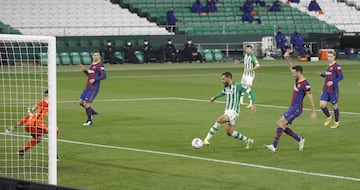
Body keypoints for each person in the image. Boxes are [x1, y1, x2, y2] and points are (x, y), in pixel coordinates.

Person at [263, 50, 317, 153]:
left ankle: (274, 146)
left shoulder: (305, 84)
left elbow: (310, 97)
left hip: (296, 109)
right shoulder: (297, 80)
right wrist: (286, 58)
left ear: (298, 73)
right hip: (292, 107)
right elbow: (291, 66)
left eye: (293, 73)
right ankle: (299, 139)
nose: (292, 74)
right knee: (281, 125)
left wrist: (313, 111)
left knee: (280, 124)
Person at [203, 72, 256, 149]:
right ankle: (248, 141)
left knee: (219, 120)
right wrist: (215, 97)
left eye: (223, 79)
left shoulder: (238, 86)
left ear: (228, 78)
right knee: (230, 132)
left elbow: (250, 91)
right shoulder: (227, 87)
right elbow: (223, 92)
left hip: (233, 112)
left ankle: (206, 140)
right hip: (227, 111)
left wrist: (253, 104)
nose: (222, 81)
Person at [5, 90, 59, 159]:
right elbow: (42, 103)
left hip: (28, 126)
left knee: (38, 139)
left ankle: (22, 151)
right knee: (55, 129)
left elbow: (24, 119)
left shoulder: (35, 112)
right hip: (34, 125)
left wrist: (14, 127)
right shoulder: (44, 103)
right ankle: (54, 155)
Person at [78, 50, 107, 126]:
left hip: (94, 88)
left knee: (86, 103)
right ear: (92, 56)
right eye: (95, 55)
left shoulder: (100, 65)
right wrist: (84, 70)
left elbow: (104, 76)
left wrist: (95, 79)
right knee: (81, 102)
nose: (96, 57)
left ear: (99, 56)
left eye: (97, 55)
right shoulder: (91, 65)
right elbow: (89, 75)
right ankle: (92, 112)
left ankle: (89, 120)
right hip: (88, 87)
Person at [318, 51, 343, 129]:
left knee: (334, 106)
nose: (329, 58)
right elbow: (328, 76)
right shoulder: (328, 66)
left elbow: (341, 77)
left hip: (333, 90)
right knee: (322, 105)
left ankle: (336, 122)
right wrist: (321, 74)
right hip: (326, 89)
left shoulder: (337, 66)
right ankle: (329, 117)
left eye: (331, 56)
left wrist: (333, 82)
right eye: (328, 56)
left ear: (334, 57)